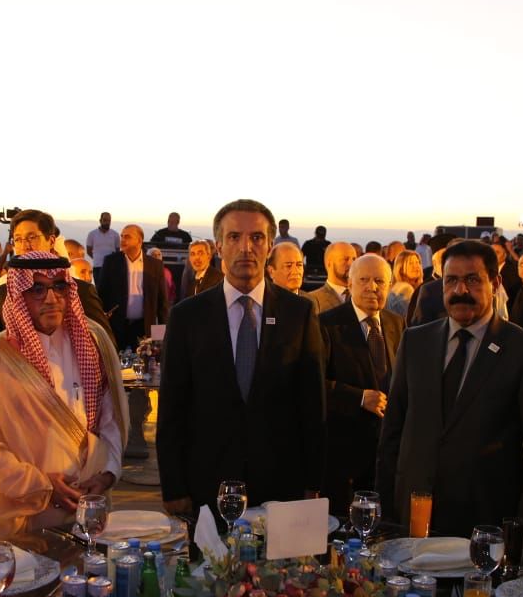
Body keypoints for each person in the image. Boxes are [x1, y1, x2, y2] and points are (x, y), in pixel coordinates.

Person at [157, 199, 326, 531]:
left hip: (282, 487)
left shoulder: (299, 314)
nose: (246, 247)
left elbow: (312, 405)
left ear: (270, 245)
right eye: (234, 237)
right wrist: (173, 487)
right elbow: (172, 408)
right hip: (206, 486)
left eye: (257, 237)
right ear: (219, 245)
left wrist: (313, 482)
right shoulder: (187, 317)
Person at [377, 240, 523, 536]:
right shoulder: (415, 341)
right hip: (413, 515)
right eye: (451, 280)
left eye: (472, 280)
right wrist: (385, 510)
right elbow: (392, 431)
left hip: (484, 522)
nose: (460, 290)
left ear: (495, 283)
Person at [0, 252, 128, 548]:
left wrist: (108, 473)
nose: (51, 298)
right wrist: (41, 487)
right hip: (26, 515)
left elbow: (112, 419)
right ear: (17, 294)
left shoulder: (94, 342)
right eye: (37, 289)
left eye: (59, 286)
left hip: (87, 508)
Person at [0, 209, 111, 361]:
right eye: (18, 239)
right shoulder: (3, 294)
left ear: (52, 241)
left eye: (32, 238)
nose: (25, 246)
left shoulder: (82, 291)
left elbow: (106, 346)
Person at [320, 254, 404, 514]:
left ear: (389, 285)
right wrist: (357, 397)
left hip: (385, 454)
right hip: (343, 454)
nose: (372, 287)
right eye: (364, 280)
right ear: (350, 283)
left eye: (380, 281)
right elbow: (314, 383)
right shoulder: (327, 324)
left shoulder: (396, 323)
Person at [99, 223, 169, 349]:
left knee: (145, 360)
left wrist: (160, 338)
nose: (122, 240)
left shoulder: (155, 265)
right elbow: (102, 294)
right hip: (117, 326)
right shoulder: (111, 262)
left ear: (139, 240)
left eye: (127, 237)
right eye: (122, 236)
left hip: (144, 327)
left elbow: (162, 302)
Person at [307, 241, 357, 313]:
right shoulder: (312, 300)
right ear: (329, 263)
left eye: (354, 259)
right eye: (345, 259)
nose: (351, 263)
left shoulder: (363, 297)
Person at [386, 249, 423, 317]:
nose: (416, 266)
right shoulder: (405, 289)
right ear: (401, 268)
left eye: (417, 262)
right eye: (411, 263)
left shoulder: (396, 287)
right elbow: (413, 317)